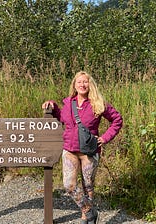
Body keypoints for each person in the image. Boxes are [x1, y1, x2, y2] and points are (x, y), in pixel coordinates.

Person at [42, 71, 123, 224]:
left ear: (90, 85)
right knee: (69, 185)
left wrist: (105, 138)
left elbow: (117, 120)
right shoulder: (68, 103)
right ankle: (90, 211)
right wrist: (51, 105)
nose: (82, 85)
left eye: (85, 82)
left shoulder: (97, 103)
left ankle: (87, 219)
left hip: (89, 151)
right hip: (70, 150)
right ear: (74, 85)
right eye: (79, 82)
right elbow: (61, 117)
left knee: (88, 185)